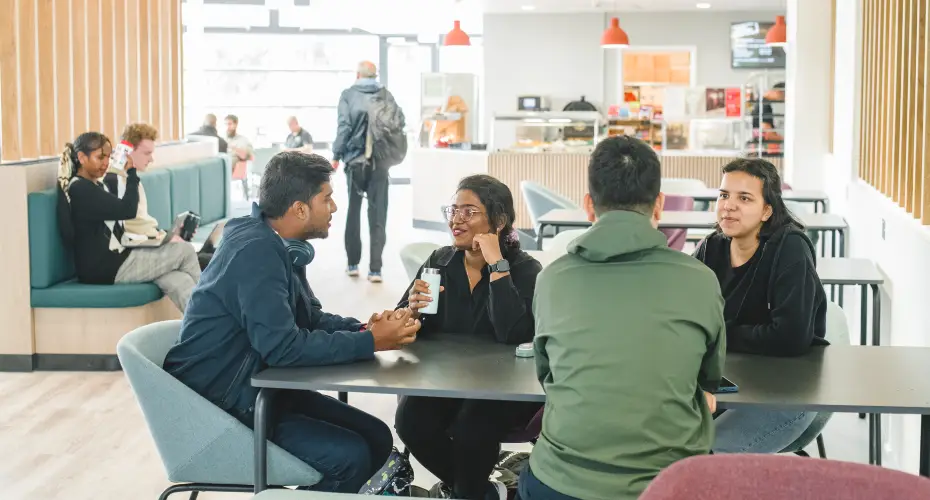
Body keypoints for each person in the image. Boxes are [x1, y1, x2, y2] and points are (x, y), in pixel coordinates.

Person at [163, 151, 421, 493]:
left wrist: (365, 329)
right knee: (352, 457)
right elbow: (283, 348)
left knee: (376, 435)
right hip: (222, 405)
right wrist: (372, 342)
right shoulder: (257, 252)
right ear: (299, 209)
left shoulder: (278, 243)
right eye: (327, 199)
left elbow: (308, 318)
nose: (334, 208)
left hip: (261, 389)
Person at [523, 136, 726, 500]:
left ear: (588, 205)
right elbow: (709, 379)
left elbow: (547, 374)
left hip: (562, 481)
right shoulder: (701, 279)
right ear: (659, 205)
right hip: (673, 484)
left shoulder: (552, 278)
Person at [394, 175, 543, 500]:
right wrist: (413, 313)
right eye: (454, 209)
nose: (456, 219)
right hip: (447, 381)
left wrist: (496, 266)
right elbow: (401, 324)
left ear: (499, 221)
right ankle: (482, 491)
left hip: (505, 389)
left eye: (469, 212)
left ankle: (469, 491)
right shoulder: (440, 262)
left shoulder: (526, 270)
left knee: (471, 426)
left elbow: (512, 334)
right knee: (410, 420)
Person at [693, 158, 827, 454]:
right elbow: (683, 314)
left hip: (789, 392)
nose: (728, 206)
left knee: (705, 460)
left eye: (744, 198)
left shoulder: (790, 248)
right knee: (667, 448)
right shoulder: (710, 248)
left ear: (767, 210)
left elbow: (790, 337)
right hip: (726, 384)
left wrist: (722, 334)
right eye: (724, 195)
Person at [55, 132, 201, 313]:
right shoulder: (80, 189)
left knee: (178, 279)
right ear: (82, 158)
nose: (106, 162)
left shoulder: (93, 185)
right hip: (106, 269)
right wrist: (131, 173)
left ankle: (202, 327)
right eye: (100, 157)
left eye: (108, 157)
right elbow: (127, 210)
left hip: (115, 261)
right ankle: (212, 319)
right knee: (185, 251)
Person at [332, 60, 401, 283]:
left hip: (354, 162)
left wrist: (335, 155)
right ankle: (375, 270)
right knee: (378, 214)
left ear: (357, 74)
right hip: (380, 163)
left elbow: (344, 127)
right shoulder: (385, 95)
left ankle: (352, 264)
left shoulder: (348, 95)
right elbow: (398, 123)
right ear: (375, 74)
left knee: (353, 212)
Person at [225, 114, 254, 200]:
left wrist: (232, 148)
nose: (227, 127)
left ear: (236, 124)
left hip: (235, 165)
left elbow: (246, 155)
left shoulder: (243, 140)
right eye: (226, 124)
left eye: (229, 124)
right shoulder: (223, 139)